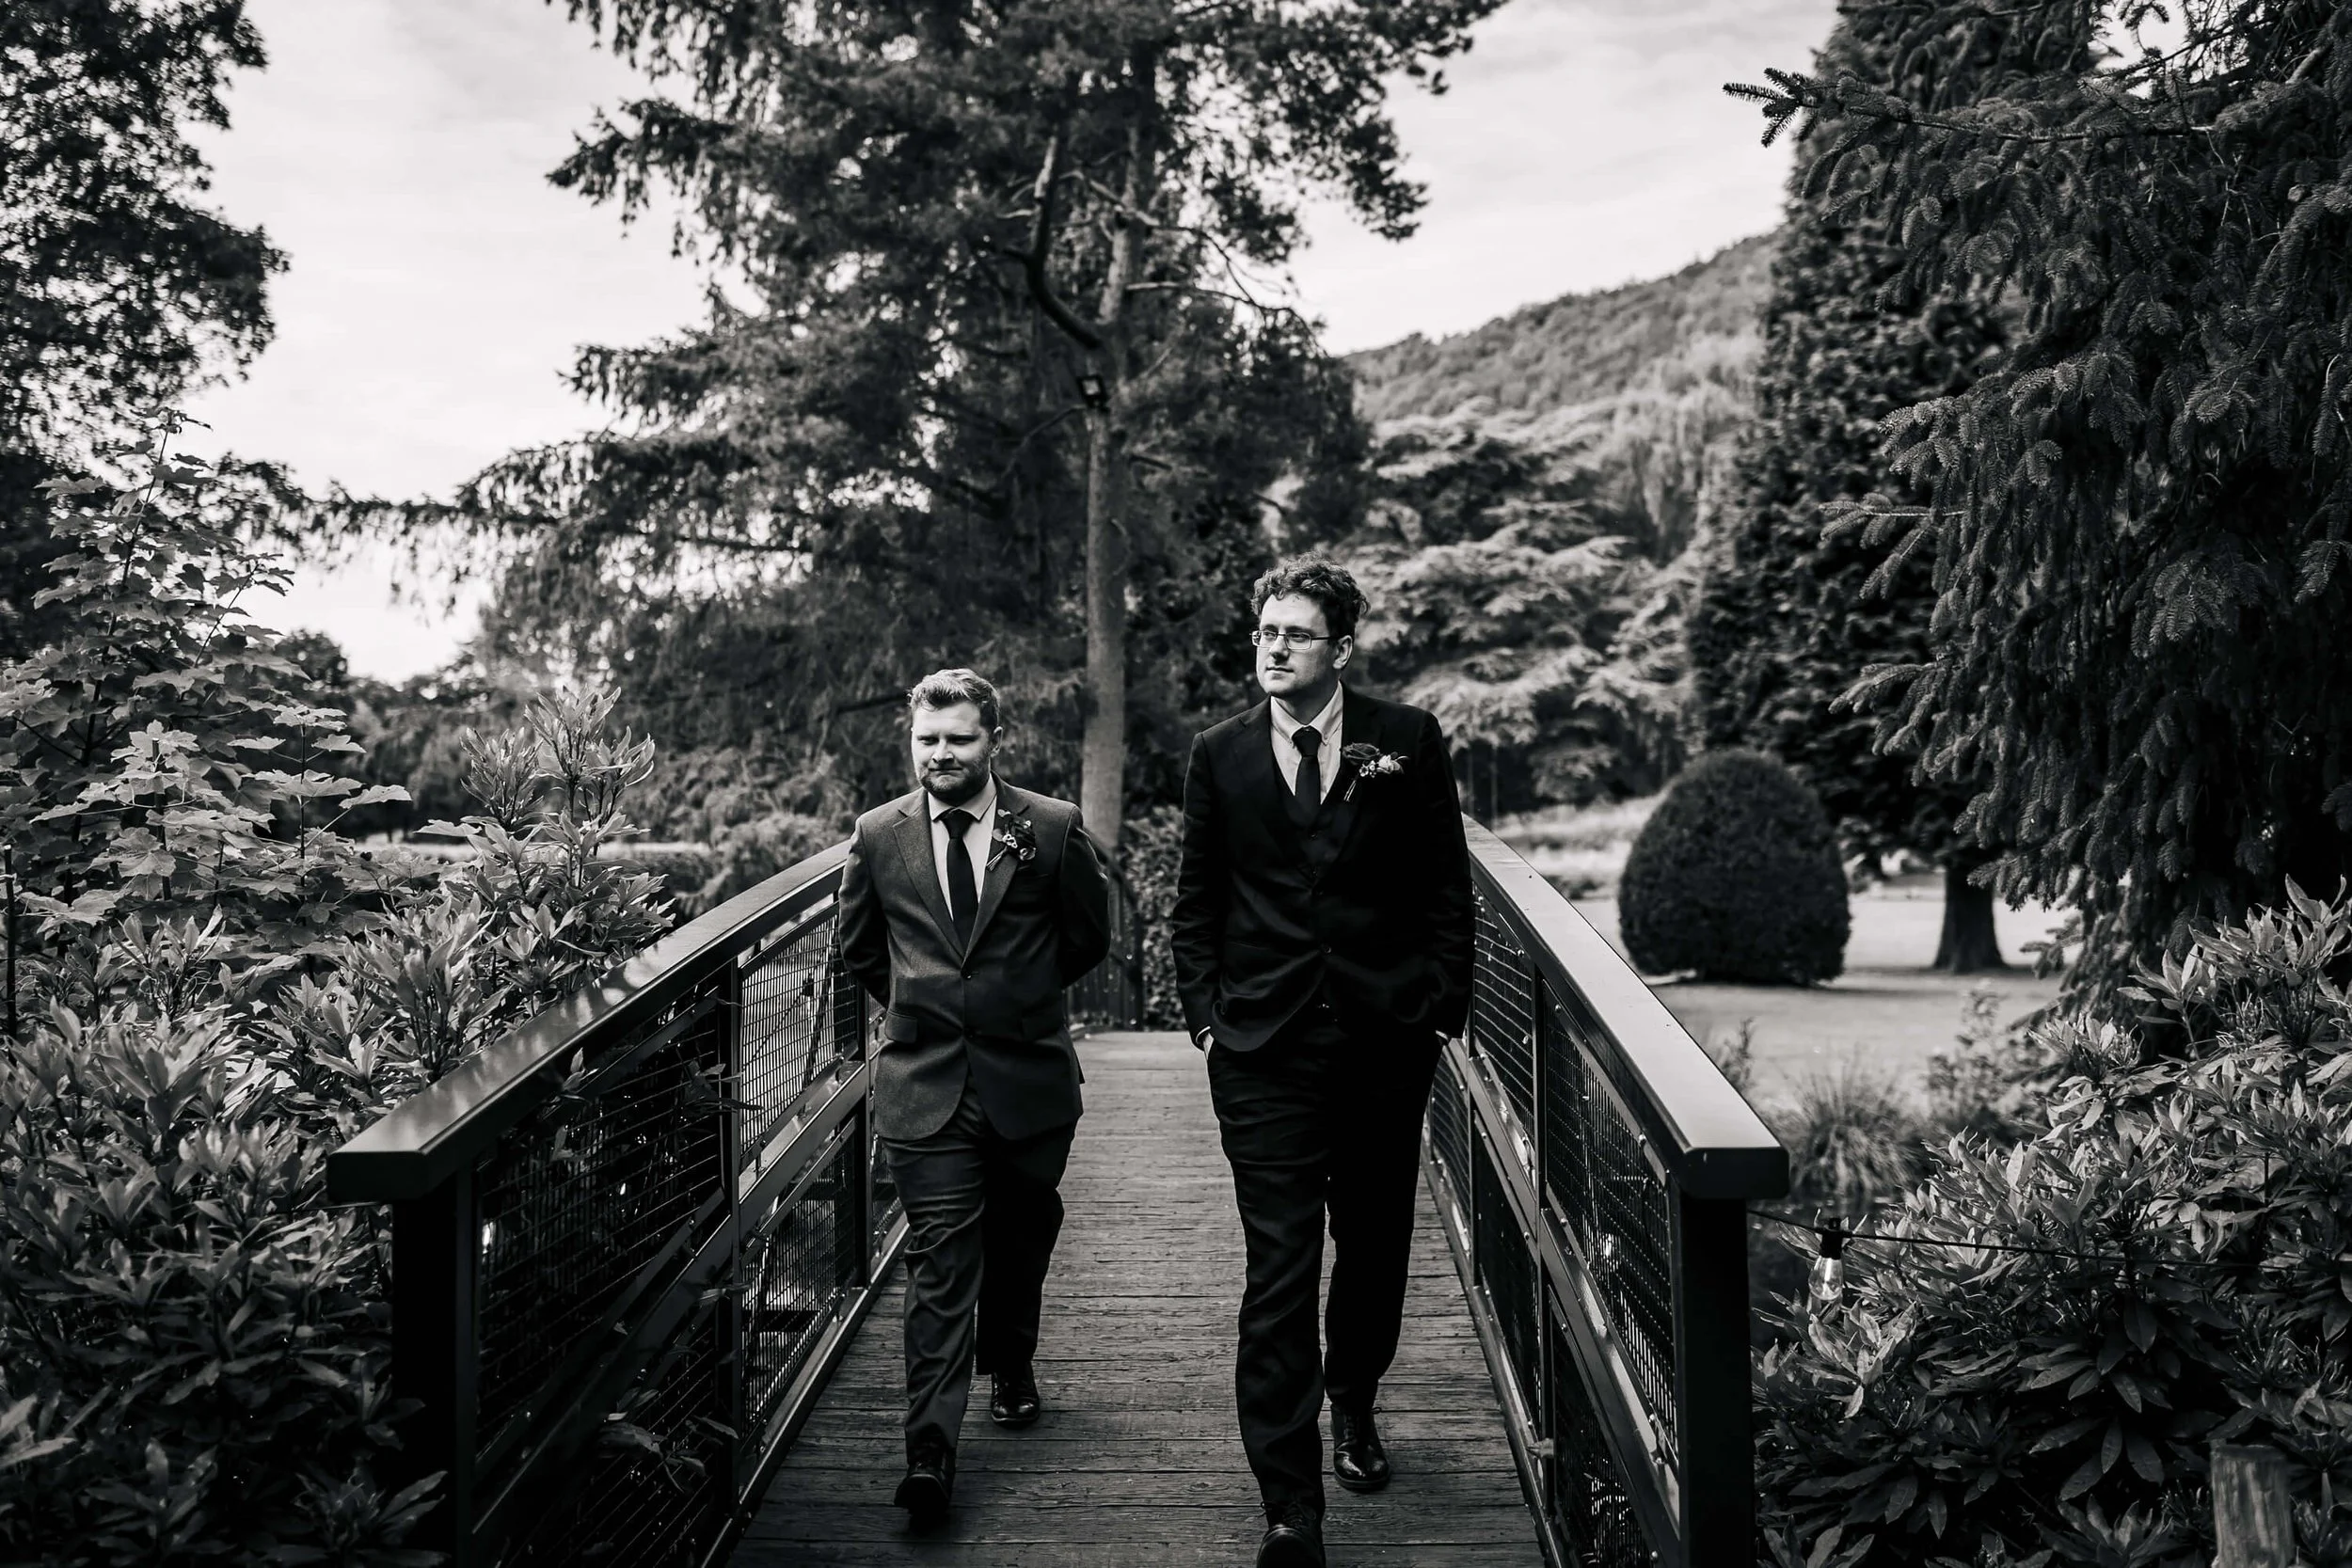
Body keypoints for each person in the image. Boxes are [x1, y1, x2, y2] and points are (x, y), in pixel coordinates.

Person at [1171, 559, 1474, 1568]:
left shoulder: (1408, 739)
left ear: (1339, 648)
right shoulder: (1218, 755)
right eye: (1263, 631)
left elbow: (1444, 886)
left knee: (1377, 1242)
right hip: (1261, 1048)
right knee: (1279, 1265)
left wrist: (1437, 1009)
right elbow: (1196, 899)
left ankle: (1354, 1392)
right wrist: (1205, 1015)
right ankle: (1289, 1502)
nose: (1271, 647)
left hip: (1386, 1040)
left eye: (1294, 634)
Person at [834, 668, 1112, 1528]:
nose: (943, 753)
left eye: (959, 737)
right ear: (910, 742)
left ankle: (1014, 1357)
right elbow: (860, 951)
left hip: (1028, 1080)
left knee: (1024, 1232)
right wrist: (928, 1003)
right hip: (925, 1085)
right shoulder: (878, 835)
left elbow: (1087, 937)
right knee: (943, 1261)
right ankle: (930, 1452)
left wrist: (1016, 1001)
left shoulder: (1053, 828)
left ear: (994, 739)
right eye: (928, 739)